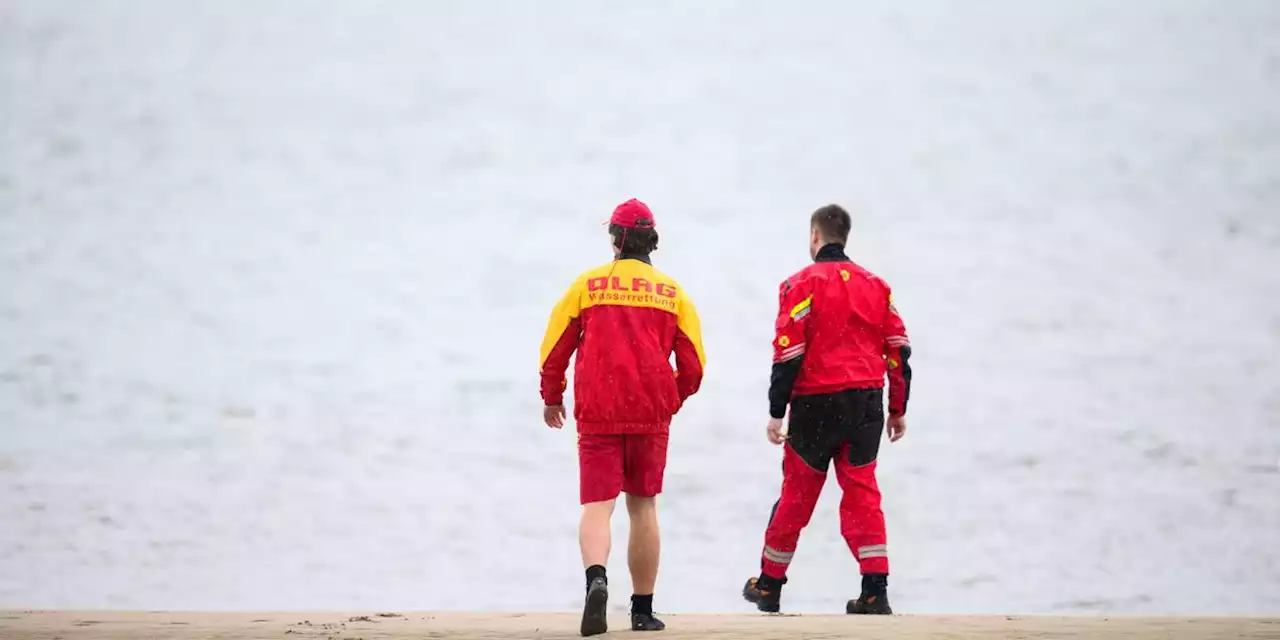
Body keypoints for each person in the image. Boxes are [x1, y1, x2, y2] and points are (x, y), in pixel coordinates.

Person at [539, 198, 706, 636]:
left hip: (599, 411)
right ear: (652, 242)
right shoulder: (673, 294)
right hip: (650, 413)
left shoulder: (587, 285)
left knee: (598, 505)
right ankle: (642, 610)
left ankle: (597, 579)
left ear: (615, 240)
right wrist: (671, 398)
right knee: (643, 506)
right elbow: (693, 366)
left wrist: (552, 396)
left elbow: (555, 347)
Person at [741, 204, 912, 615]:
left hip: (816, 403)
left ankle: (769, 585)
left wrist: (775, 411)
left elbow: (788, 353)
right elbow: (898, 350)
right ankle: (875, 590)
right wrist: (897, 408)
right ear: (844, 237)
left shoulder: (800, 284)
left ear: (815, 237)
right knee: (862, 492)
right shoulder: (877, 286)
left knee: (797, 494)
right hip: (866, 402)